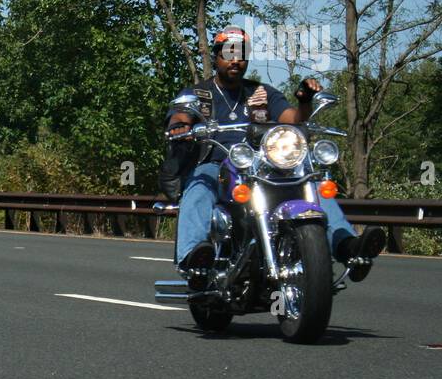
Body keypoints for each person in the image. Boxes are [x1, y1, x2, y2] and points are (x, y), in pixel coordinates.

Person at [162, 26, 385, 286]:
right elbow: (180, 115)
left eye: (241, 54)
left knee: (312, 184)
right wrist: (181, 126)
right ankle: (193, 257)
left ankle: (347, 246)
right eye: (228, 53)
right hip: (217, 163)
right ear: (216, 57)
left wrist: (304, 100)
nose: (235, 59)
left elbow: (291, 119)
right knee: (199, 187)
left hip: (264, 165)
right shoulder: (199, 93)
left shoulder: (261, 92)